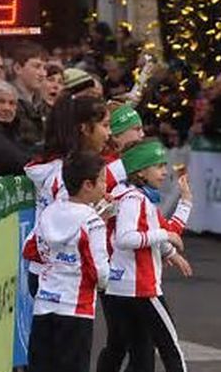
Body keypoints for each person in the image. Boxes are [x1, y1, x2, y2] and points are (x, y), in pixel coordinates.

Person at [100, 139, 192, 372]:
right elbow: (126, 237)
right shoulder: (135, 199)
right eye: (158, 165)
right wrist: (165, 237)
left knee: (140, 354)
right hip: (142, 286)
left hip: (121, 287)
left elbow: (167, 231)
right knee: (170, 348)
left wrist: (185, 203)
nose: (165, 171)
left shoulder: (128, 195)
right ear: (140, 170)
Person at [22, 150, 110, 372]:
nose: (106, 186)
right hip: (76, 308)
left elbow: (29, 248)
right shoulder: (92, 222)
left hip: (44, 305)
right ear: (87, 185)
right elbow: (100, 272)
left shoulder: (49, 212)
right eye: (102, 180)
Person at [24, 97, 111, 297]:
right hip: (59, 278)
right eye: (105, 125)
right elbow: (64, 226)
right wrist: (97, 216)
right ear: (84, 128)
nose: (109, 133)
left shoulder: (67, 168)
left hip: (56, 274)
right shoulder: (65, 173)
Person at [9, 41, 48, 150]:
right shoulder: (6, 101)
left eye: (44, 68)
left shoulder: (42, 103)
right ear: (17, 68)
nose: (43, 73)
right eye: (37, 67)